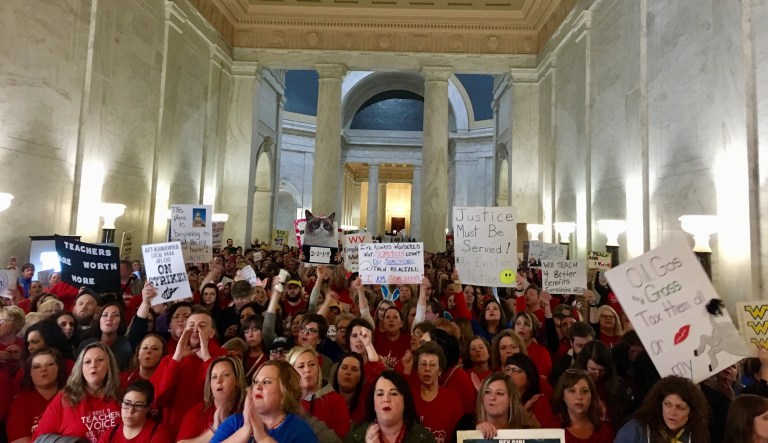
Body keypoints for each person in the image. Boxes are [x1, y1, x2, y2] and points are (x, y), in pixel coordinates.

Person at [33, 342, 122, 443]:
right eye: (87, 362)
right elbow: (39, 439)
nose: (93, 365)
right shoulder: (65, 398)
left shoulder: (122, 395)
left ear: (109, 365)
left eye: (100, 360)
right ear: (80, 367)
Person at [211, 360, 318, 443]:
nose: (257, 387)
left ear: (285, 391)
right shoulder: (234, 423)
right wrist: (245, 430)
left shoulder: (300, 432)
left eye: (266, 382)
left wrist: (262, 438)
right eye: (255, 382)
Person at [344, 370, 435, 443]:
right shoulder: (354, 436)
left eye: (394, 393)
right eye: (380, 394)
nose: (386, 399)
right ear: (373, 403)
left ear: (405, 401)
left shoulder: (425, 439)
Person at [615, 375, 710, 443]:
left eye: (680, 407)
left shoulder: (696, 434)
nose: (672, 412)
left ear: (691, 411)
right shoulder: (634, 430)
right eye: (667, 404)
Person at [177, 356, 247, 442]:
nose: (218, 381)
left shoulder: (247, 409)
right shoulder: (199, 412)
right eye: (214, 377)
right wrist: (215, 429)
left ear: (237, 380)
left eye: (225, 375)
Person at [6, 349, 68, 443]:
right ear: (29, 373)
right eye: (37, 367)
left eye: (49, 364)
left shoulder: (72, 397)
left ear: (59, 368)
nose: (44, 369)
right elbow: (19, 440)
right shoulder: (21, 403)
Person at [288, 346, 350, 438]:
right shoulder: (285, 402)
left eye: (312, 364)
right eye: (301, 366)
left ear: (318, 368)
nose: (307, 370)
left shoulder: (336, 401)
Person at [572, 340, 634, 429]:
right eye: (592, 369)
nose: (597, 374)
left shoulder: (620, 386)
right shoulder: (572, 383)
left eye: (602, 370)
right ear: (583, 366)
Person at [410, 342, 463, 443]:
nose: (427, 369)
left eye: (432, 365)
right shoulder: (408, 397)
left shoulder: (453, 399)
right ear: (417, 369)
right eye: (423, 364)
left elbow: (459, 436)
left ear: (440, 370)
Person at [549, 369, 614, 443]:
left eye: (585, 391)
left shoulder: (605, 432)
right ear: (563, 395)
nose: (579, 397)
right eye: (572, 391)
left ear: (592, 395)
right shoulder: (552, 430)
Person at [98, 379, 171, 443]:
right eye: (127, 403)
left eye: (138, 405)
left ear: (147, 408)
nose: (130, 411)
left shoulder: (158, 434)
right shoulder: (110, 434)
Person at [474, 372, 538, 438]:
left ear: (511, 400)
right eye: (487, 392)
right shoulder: (469, 425)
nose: (492, 397)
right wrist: (475, 432)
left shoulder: (526, 431)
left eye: (499, 393)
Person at [503, 353, 554, 427]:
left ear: (529, 379)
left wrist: (529, 420)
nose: (508, 374)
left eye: (515, 371)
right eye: (507, 370)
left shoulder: (538, 403)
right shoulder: (498, 399)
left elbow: (550, 433)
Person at [78, 301, 133, 370]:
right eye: (105, 315)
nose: (109, 318)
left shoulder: (126, 347)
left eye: (115, 315)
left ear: (121, 321)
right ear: (99, 320)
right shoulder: (85, 345)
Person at [332, 352, 366, 423]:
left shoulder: (365, 406)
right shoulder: (325, 400)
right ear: (337, 372)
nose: (348, 372)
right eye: (344, 368)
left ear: (361, 377)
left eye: (354, 369)